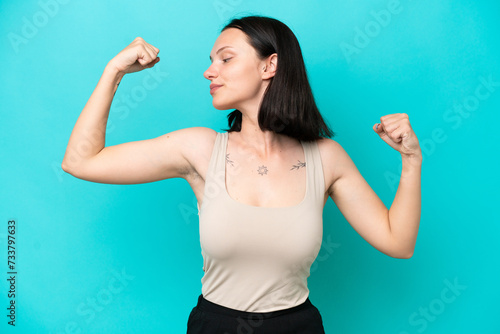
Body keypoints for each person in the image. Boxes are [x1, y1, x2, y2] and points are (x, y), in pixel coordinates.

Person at [62, 15, 422, 334]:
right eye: (210, 61)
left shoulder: (326, 158)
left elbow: (398, 242)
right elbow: (81, 161)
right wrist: (114, 71)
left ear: (270, 66)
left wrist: (410, 160)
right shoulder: (200, 148)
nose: (209, 70)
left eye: (226, 58)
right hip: (214, 326)